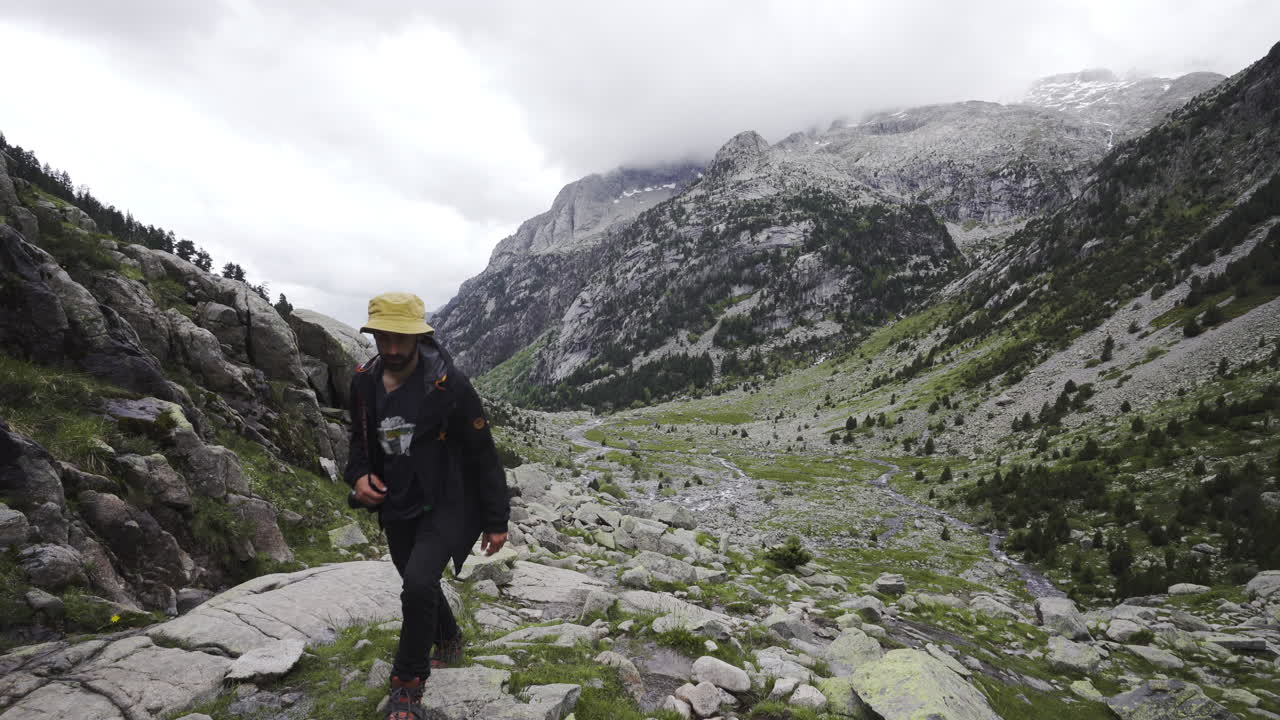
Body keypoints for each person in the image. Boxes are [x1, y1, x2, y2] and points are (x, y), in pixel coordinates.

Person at [343, 291, 510, 720]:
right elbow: (358, 440)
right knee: (418, 580)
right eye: (385, 338)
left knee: (417, 583)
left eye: (402, 339)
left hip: (448, 502)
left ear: (419, 337)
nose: (394, 349)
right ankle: (449, 636)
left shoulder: (449, 384)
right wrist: (358, 477)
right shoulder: (364, 380)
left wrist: (496, 519)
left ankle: (407, 685)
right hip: (397, 500)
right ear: (375, 335)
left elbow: (482, 452)